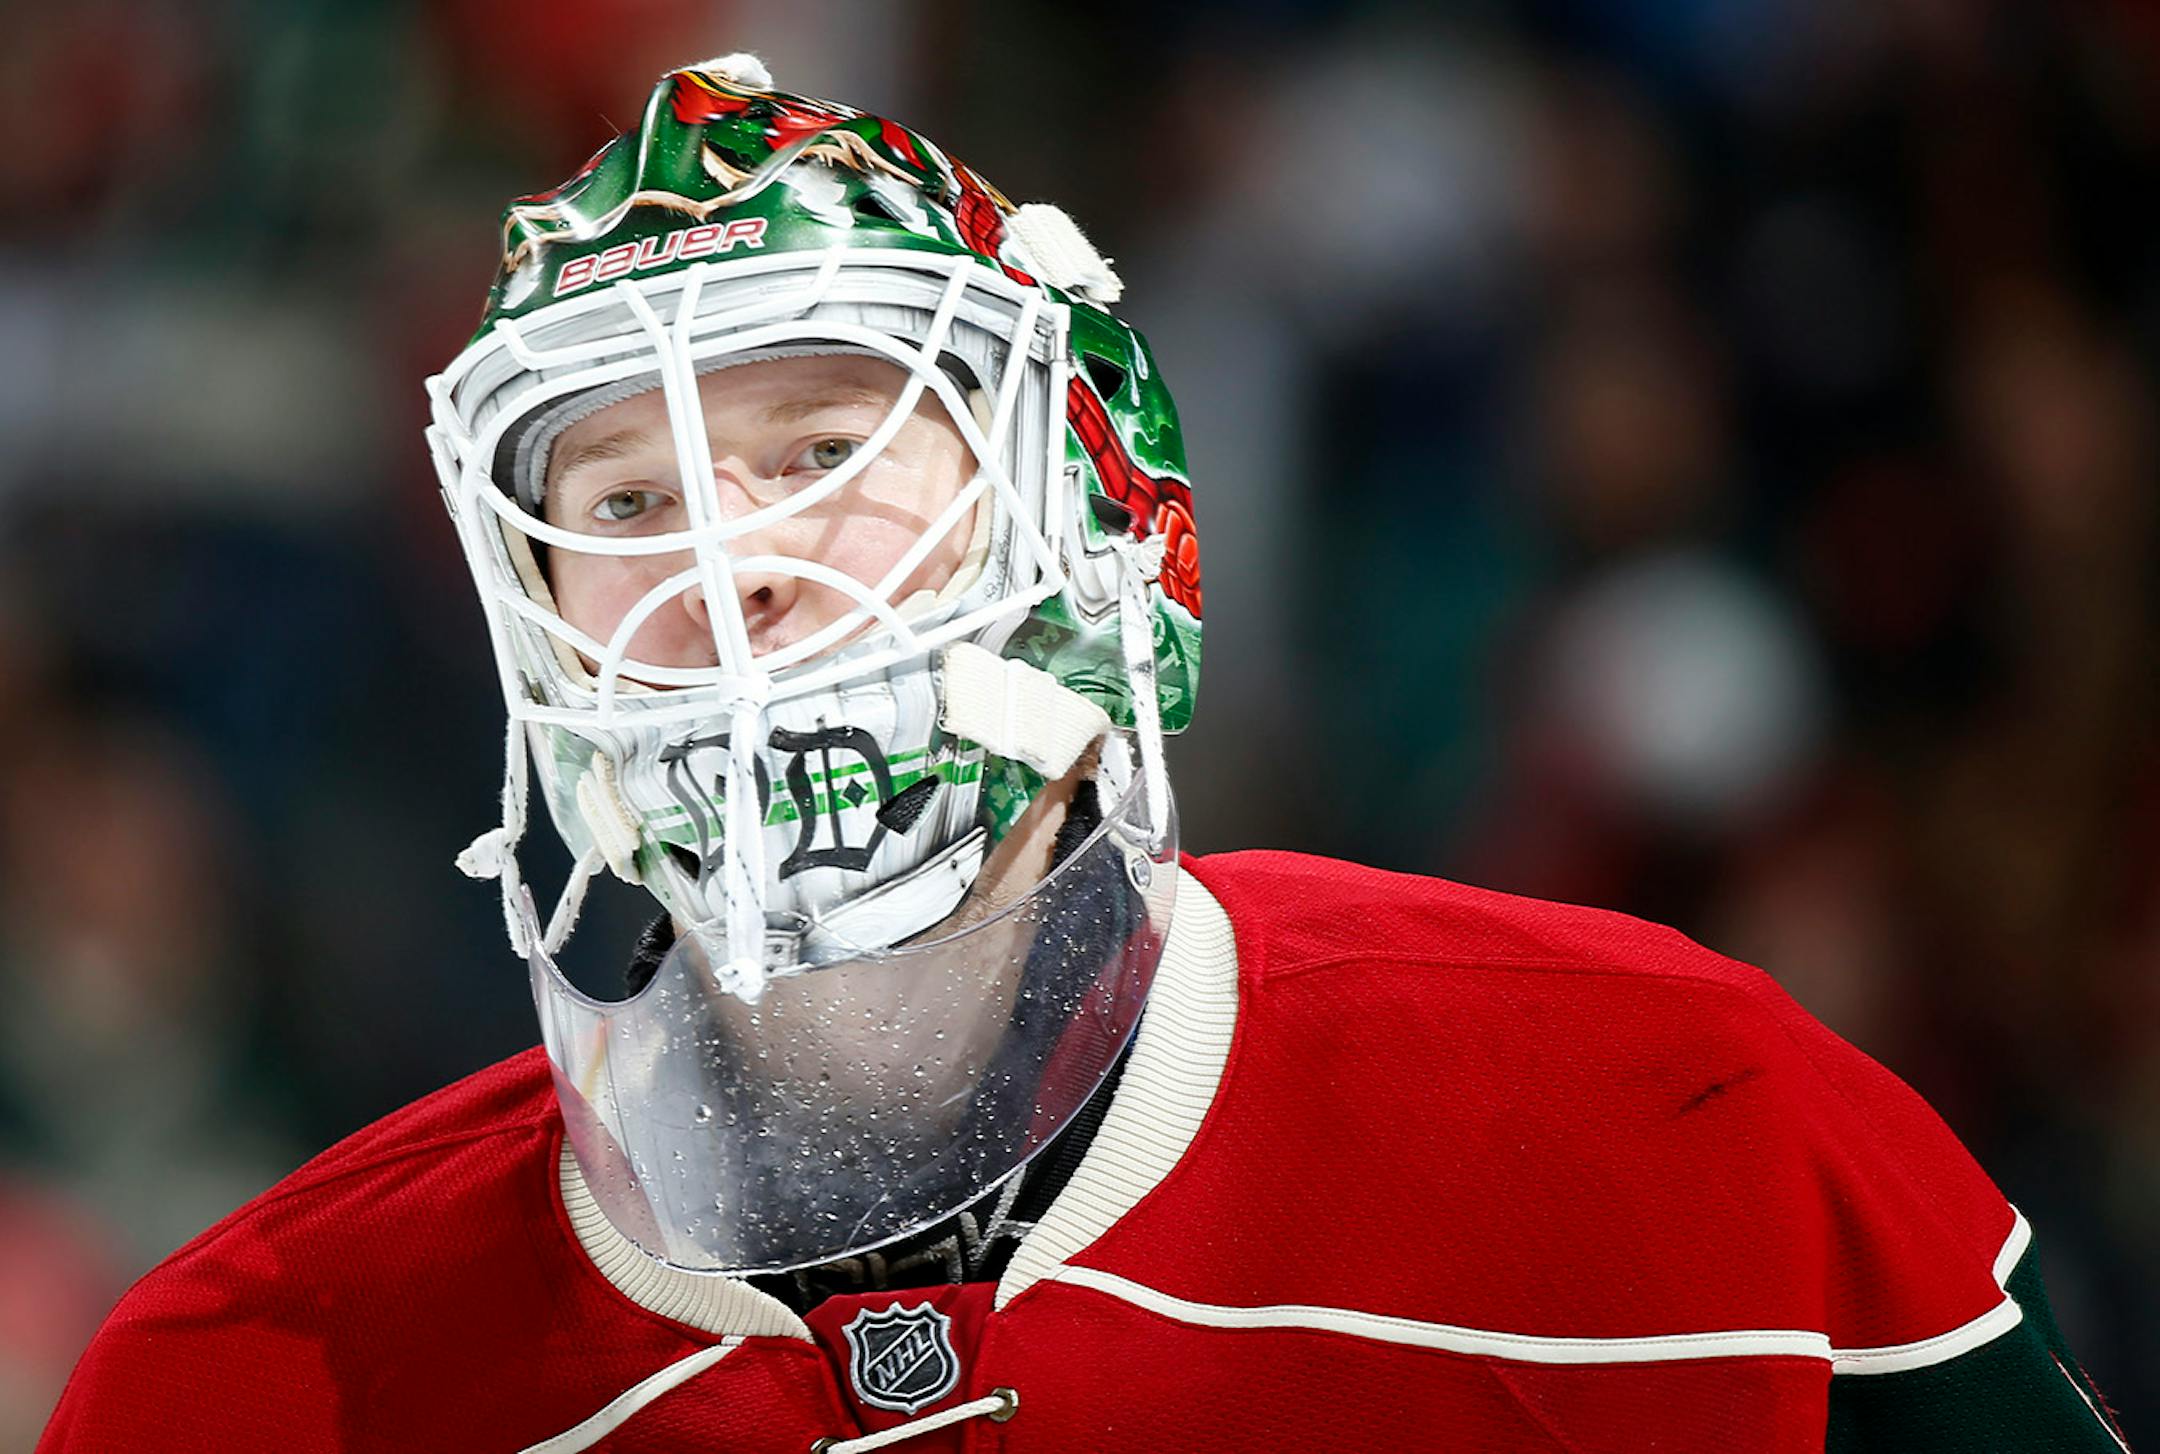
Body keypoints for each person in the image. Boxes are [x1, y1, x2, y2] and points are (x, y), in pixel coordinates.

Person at [40, 55, 2132, 1454]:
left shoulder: (1688, 1131)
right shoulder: (246, 1381)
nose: (729, 566)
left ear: (1093, 517)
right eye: (615, 500)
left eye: (827, 447)